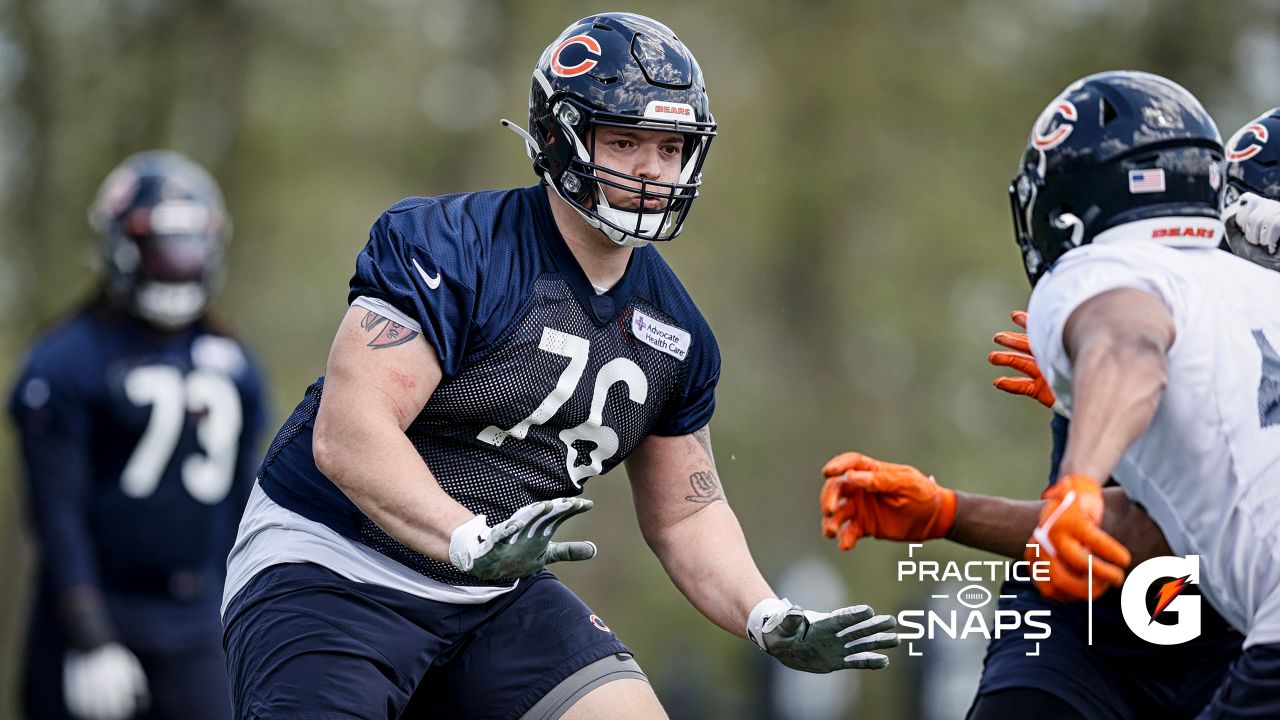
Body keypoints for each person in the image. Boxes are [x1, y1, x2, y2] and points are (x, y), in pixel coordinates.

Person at [220, 12, 898, 720]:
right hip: (336, 564)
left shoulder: (677, 332)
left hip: (494, 595)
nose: (652, 169)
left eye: (671, 147)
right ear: (557, 135)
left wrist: (765, 615)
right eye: (627, 140)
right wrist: (465, 538)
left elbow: (687, 515)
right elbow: (350, 433)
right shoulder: (452, 246)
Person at [820, 81, 1280, 719]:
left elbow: (1127, 345)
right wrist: (950, 512)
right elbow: (1156, 530)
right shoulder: (1224, 297)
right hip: (1115, 627)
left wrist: (1082, 473)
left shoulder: (1111, 283)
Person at [9, 150, 269, 720]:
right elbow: (56, 514)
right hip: (101, 603)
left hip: (198, 612)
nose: (176, 263)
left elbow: (243, 502)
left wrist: (250, 609)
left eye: (189, 245)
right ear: (122, 247)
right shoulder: (66, 362)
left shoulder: (233, 361)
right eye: (160, 246)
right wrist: (86, 627)